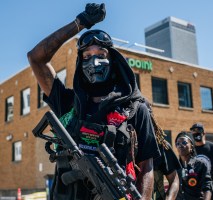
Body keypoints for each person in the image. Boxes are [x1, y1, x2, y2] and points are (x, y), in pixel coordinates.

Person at [27, 3, 160, 199]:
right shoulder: (68, 103)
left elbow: (146, 166)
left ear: (113, 61)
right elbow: (36, 58)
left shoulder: (135, 108)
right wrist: (80, 23)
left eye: (101, 55)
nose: (94, 61)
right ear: (80, 63)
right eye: (87, 56)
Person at [190, 123, 213, 200]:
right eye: (193, 131)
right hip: (197, 192)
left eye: (198, 130)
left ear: (204, 133)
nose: (196, 133)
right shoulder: (190, 150)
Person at [175, 131, 212, 200]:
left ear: (191, 146)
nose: (180, 145)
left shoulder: (200, 164)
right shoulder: (175, 166)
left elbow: (207, 188)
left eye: (184, 143)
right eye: (177, 144)